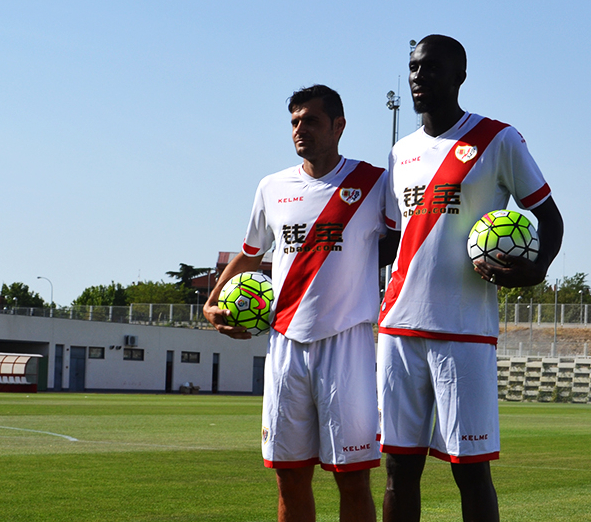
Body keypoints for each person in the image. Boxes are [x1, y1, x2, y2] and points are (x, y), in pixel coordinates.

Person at [377, 35, 564, 522]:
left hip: (464, 330)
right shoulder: (400, 153)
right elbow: (392, 242)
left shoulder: (497, 139)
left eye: (432, 68)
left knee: (471, 470)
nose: (419, 77)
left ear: (460, 76)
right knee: (398, 467)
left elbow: (549, 216)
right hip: (397, 327)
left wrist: (536, 268)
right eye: (414, 68)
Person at [204, 84, 399, 522]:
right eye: (294, 122)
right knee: (288, 477)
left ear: (338, 126)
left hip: (345, 344)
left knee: (352, 478)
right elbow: (250, 252)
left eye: (310, 120)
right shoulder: (272, 187)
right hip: (285, 344)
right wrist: (211, 302)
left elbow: (401, 242)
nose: (300, 130)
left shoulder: (372, 183)